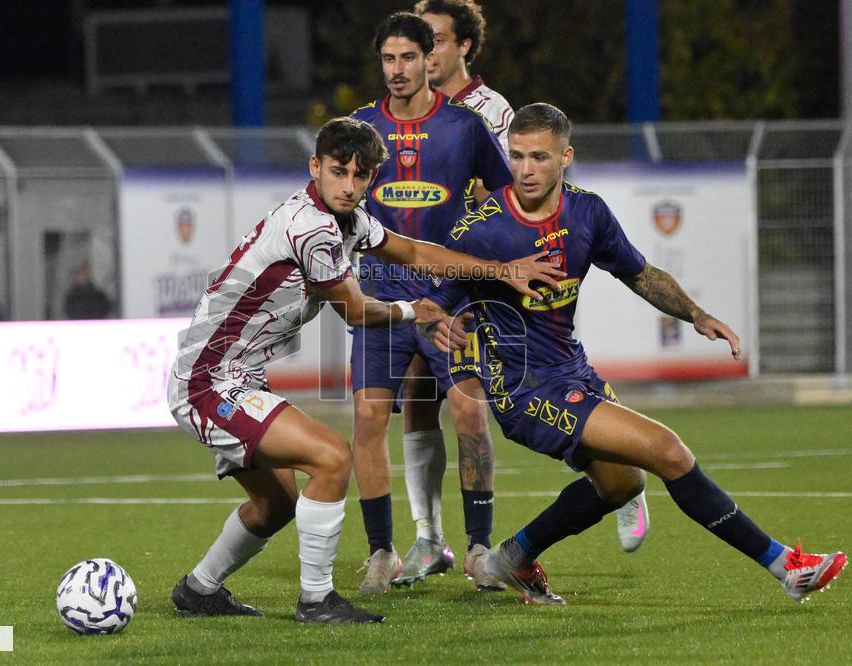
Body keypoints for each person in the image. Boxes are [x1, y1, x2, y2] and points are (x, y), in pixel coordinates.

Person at [425, 102, 847, 605]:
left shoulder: (587, 212)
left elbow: (641, 274)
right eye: (516, 156)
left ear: (565, 158)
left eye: (539, 157)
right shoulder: (482, 228)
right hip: (523, 388)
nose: (525, 169)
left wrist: (695, 314)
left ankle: (511, 558)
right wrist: (441, 322)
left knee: (622, 485)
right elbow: (434, 302)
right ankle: (786, 566)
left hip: (572, 369)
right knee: (668, 450)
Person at [165, 116, 562, 623]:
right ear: (315, 167)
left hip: (236, 378)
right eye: (338, 172)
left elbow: (414, 251)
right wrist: (415, 310)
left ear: (373, 176)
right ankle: (317, 601)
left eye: (360, 175)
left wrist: (502, 271)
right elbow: (354, 311)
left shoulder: (349, 219)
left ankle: (198, 589)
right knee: (332, 457)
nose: (349, 186)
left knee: (276, 504)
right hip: (208, 383)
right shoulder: (311, 227)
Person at [401, 0, 649, 589]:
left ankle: (484, 544)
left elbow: (513, 193)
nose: (424, 54)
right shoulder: (404, 111)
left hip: (490, 275)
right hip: (430, 270)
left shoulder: (491, 111)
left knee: (470, 400)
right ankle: (428, 538)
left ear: (464, 46)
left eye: (435, 41)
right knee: (415, 392)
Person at [348, 11, 513, 594]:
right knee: (368, 419)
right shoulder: (360, 128)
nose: (397, 70)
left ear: (429, 59)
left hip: (451, 301)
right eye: (388, 59)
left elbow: (504, 202)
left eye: (408, 58)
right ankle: (381, 552)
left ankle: (478, 548)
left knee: (470, 414)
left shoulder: (465, 126)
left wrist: (484, 264)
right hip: (381, 301)